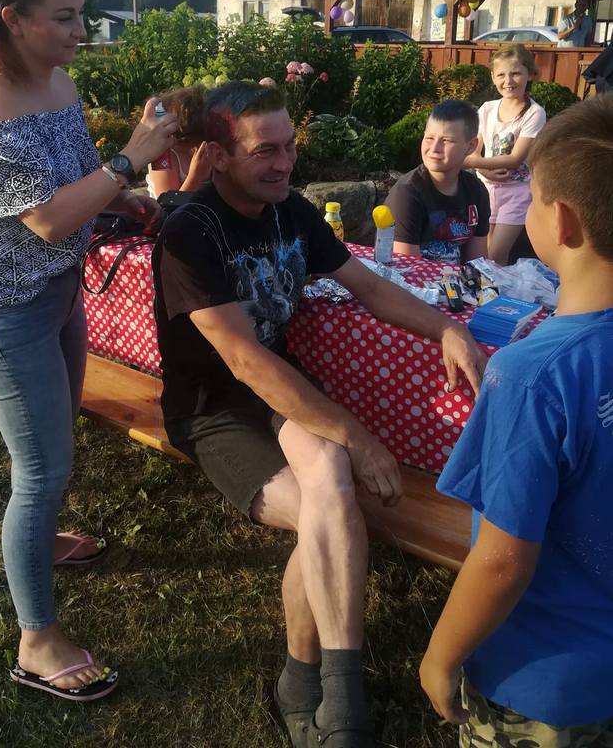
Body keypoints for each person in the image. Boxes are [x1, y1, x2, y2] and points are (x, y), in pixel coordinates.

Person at [151, 81, 487, 748]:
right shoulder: (190, 230)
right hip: (213, 408)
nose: (284, 164)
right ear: (218, 155)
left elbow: (368, 287)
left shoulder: (290, 211)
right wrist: (358, 435)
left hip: (283, 392)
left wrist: (448, 328)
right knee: (326, 510)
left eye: (290, 147)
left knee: (330, 487)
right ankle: (329, 692)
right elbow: (244, 362)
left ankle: (323, 690)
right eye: (265, 151)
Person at [0, 0, 178, 702]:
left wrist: (124, 202)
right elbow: (47, 217)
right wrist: (133, 159)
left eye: (81, 13)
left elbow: (79, 183)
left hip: (56, 289)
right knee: (42, 468)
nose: (82, 31)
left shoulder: (58, 84)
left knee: (54, 447)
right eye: (65, 17)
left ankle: (42, 542)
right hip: (1, 304)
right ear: (13, 18)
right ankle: (37, 641)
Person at [420, 95, 613, 746]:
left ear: (562, 221)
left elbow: (502, 561)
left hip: (539, 681)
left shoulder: (529, 376)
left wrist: (441, 656)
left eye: (532, 197)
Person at [463, 45, 546, 265]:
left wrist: (476, 162)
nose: (508, 81)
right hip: (486, 189)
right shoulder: (487, 109)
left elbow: (515, 158)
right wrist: (482, 169)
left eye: (516, 73)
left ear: (530, 74)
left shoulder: (534, 113)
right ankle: (485, 287)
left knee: (497, 254)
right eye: (501, 75)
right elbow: (473, 149)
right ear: (493, 77)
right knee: (482, 252)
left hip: (517, 192)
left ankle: (499, 288)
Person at [385, 99, 490, 265]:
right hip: (413, 278)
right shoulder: (406, 194)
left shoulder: (476, 191)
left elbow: (478, 263)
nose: (434, 149)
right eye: (429, 138)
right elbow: (407, 268)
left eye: (446, 140)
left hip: (457, 279)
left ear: (471, 146)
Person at [145, 84, 211, 198]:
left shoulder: (210, 145)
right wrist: (195, 176)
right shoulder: (163, 155)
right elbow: (168, 204)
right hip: (176, 209)